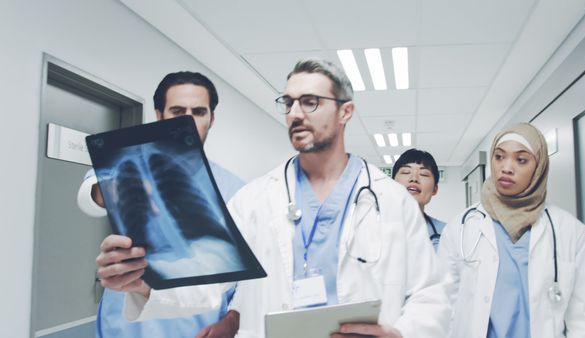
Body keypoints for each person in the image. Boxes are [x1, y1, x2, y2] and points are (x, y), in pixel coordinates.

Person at [96, 58, 451, 338]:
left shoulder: (392, 201)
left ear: (346, 111)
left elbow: (430, 294)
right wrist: (144, 285)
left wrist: (402, 333)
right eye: (289, 102)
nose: (295, 113)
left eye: (310, 102)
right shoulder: (253, 200)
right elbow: (208, 286)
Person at [78, 71, 245, 338]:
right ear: (159, 115)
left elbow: (239, 276)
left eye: (199, 111)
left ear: (211, 119)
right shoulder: (125, 165)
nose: (188, 120)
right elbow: (91, 196)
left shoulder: (236, 189)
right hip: (127, 323)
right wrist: (125, 182)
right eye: (177, 110)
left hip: (198, 325)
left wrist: (231, 320)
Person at [437, 122, 585, 338]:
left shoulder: (569, 231)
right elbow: (442, 304)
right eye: (499, 156)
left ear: (538, 168)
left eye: (521, 160)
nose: (506, 167)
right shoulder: (461, 227)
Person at [392, 148, 445, 250]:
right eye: (406, 172)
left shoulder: (447, 233)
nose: (414, 178)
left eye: (423, 174)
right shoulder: (370, 229)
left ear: (435, 189)